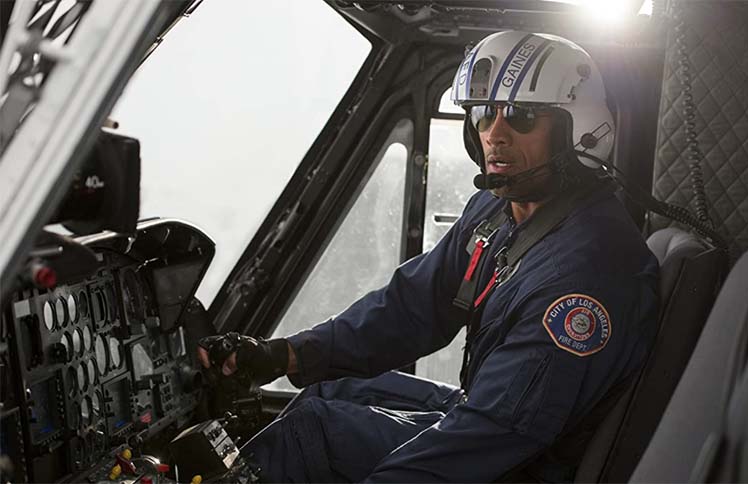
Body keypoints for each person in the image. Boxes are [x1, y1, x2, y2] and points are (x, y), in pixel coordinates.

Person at [198, 30, 659, 482]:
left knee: (308, 435)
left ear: (576, 133)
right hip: (488, 417)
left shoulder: (585, 275)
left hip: (526, 463)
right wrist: (285, 355)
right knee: (326, 390)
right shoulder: (498, 211)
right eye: (484, 114)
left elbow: (491, 434)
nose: (494, 135)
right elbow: (414, 306)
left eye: (521, 116)